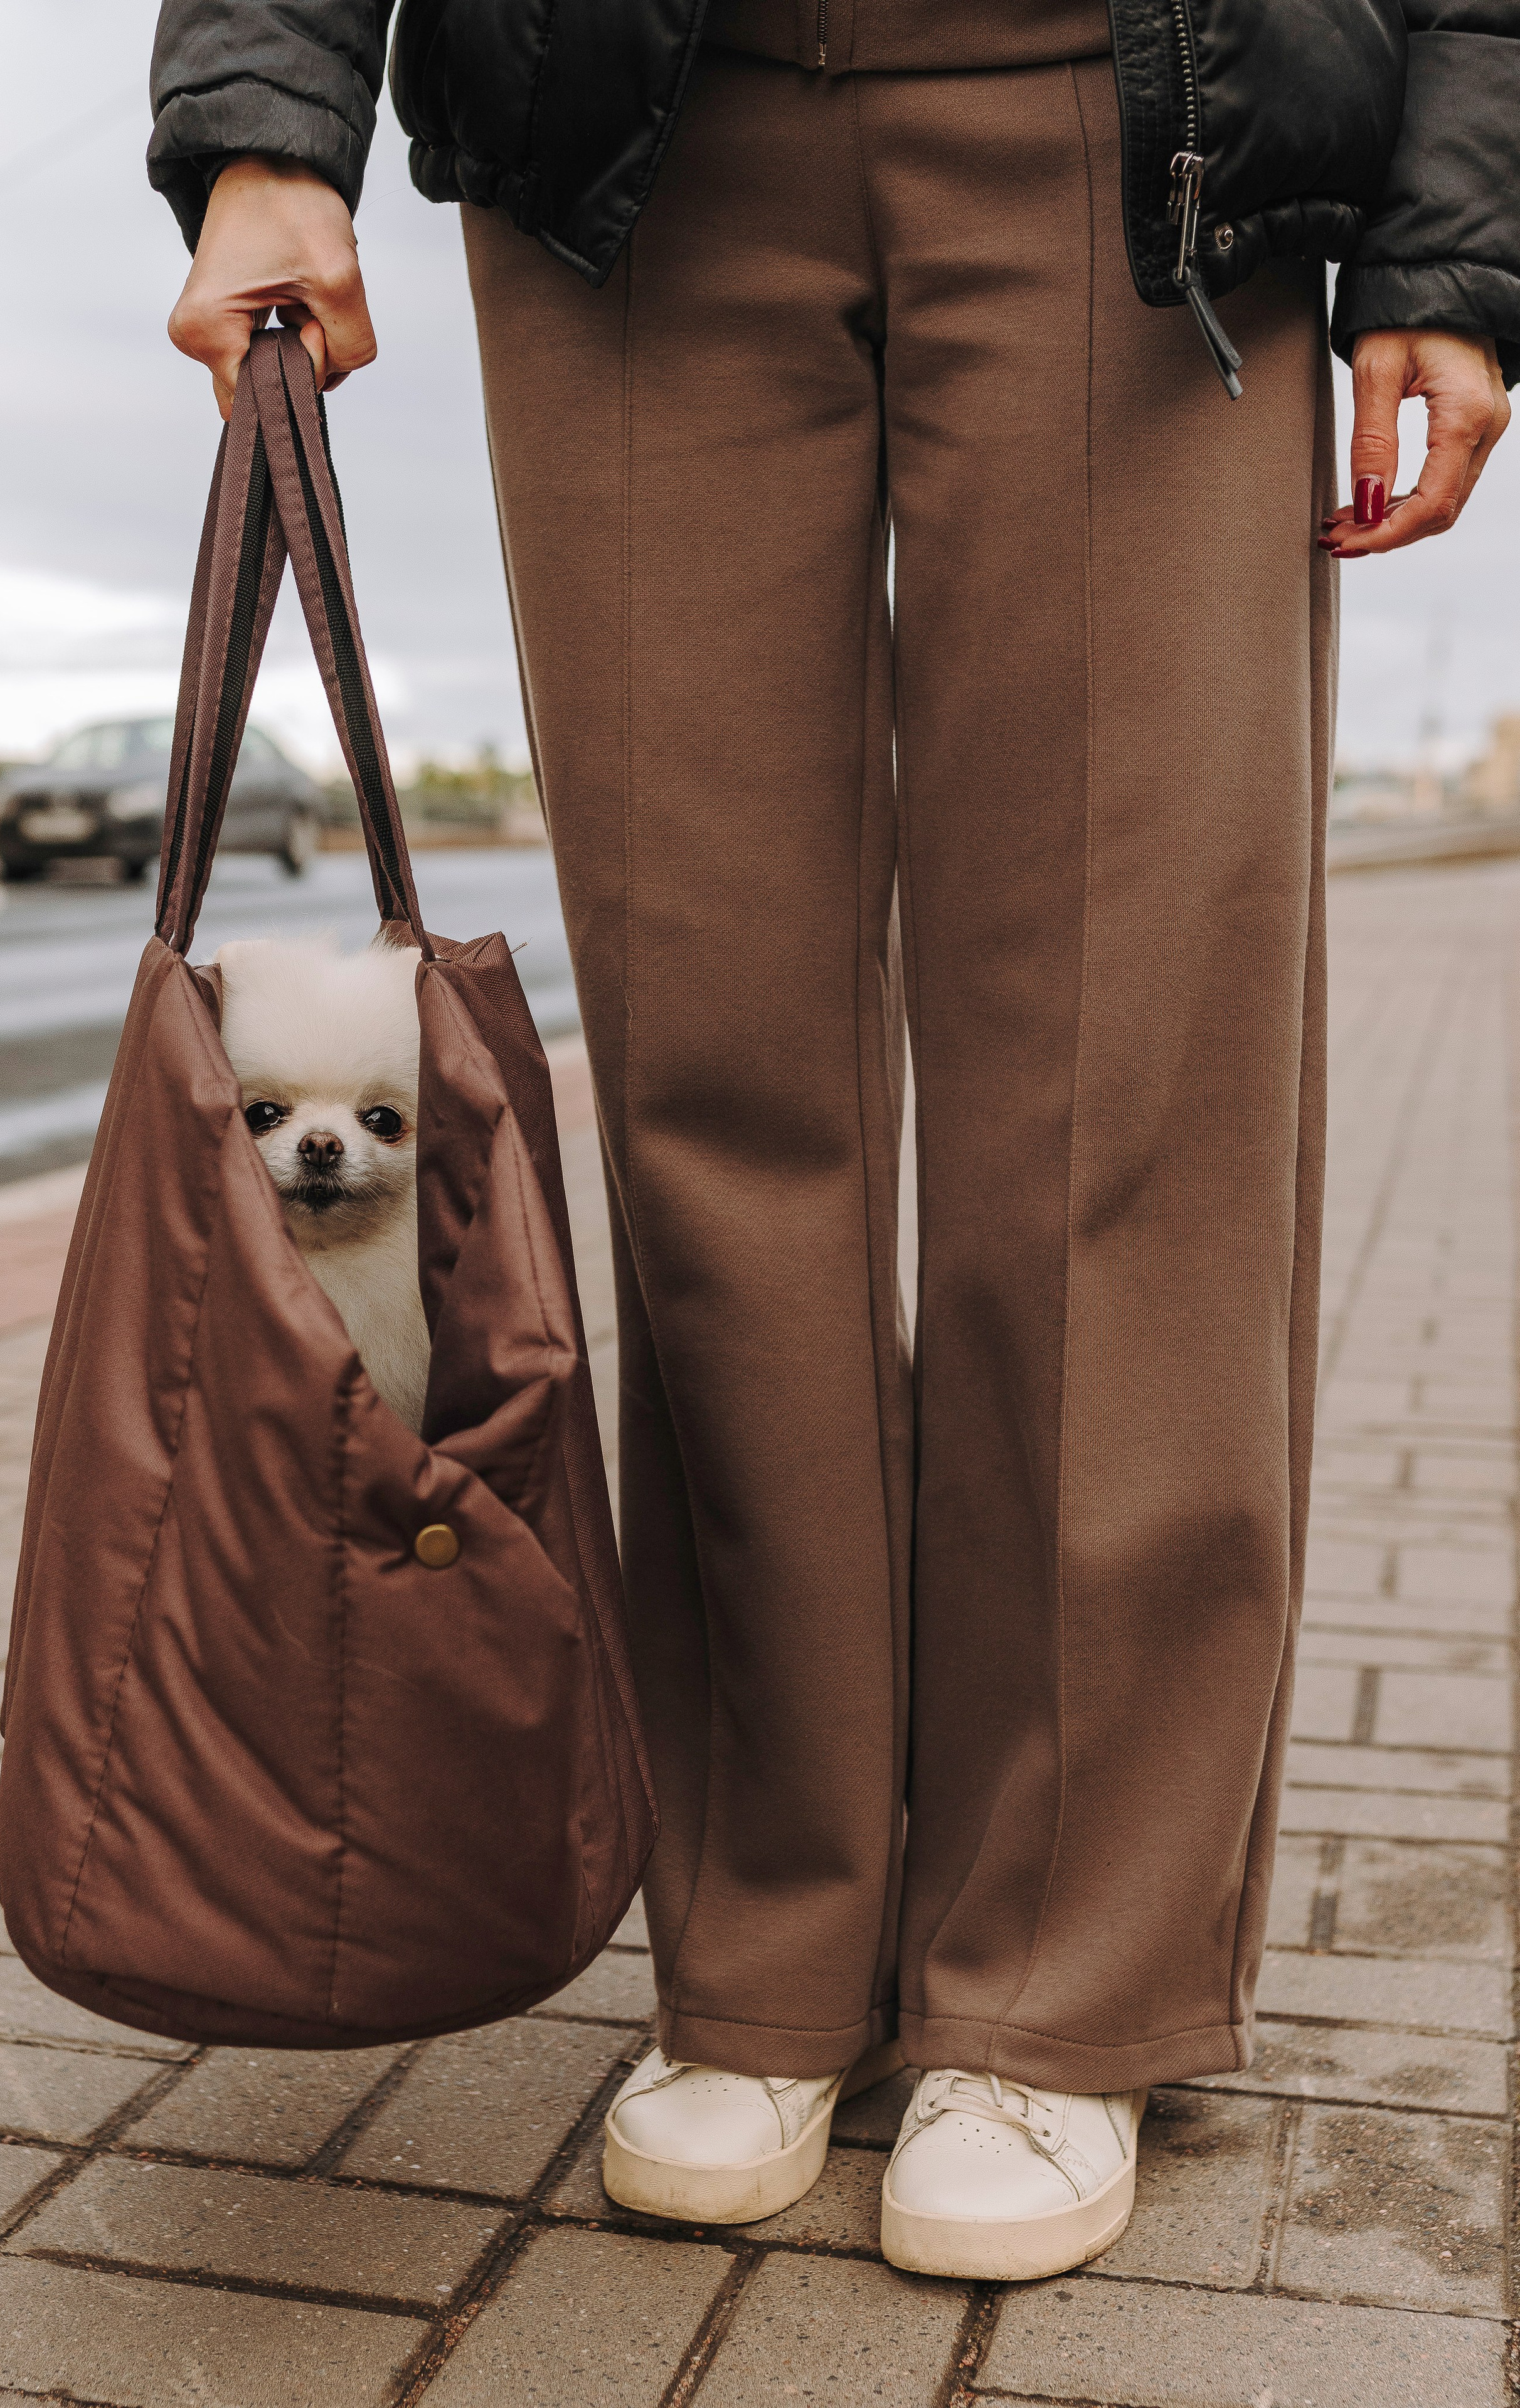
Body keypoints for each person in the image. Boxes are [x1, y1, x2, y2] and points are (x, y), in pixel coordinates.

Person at [149, 0, 1516, 2281]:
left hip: (1153, 130)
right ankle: (770, 1946)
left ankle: (1062, 1981)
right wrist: (265, 123)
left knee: (1125, 1086)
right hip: (627, 139)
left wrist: (1459, 247)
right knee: (710, 1073)